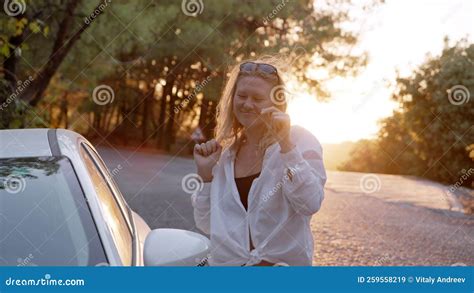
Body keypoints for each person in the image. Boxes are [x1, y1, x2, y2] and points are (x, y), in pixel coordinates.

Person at [191, 56, 327, 266]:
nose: (247, 104)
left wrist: (286, 146)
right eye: (242, 95)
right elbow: (207, 224)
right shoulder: (226, 154)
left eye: (257, 98)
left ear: (276, 103)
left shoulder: (299, 141)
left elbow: (310, 203)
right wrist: (206, 176)